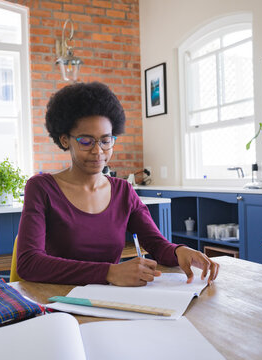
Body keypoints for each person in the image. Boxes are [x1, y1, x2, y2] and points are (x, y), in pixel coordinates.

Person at [16, 81, 219, 286]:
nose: (98, 151)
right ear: (65, 140)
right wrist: (108, 273)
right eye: (86, 141)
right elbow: (29, 263)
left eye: (105, 141)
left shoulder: (123, 191)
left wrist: (179, 251)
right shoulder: (41, 188)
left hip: (111, 302)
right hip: (57, 301)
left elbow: (157, 245)